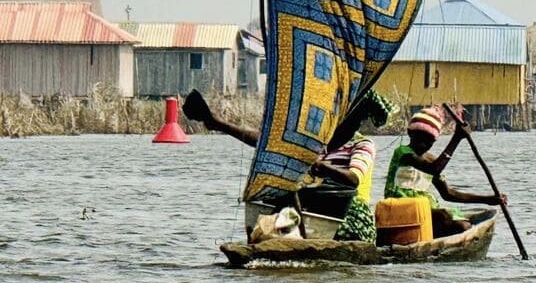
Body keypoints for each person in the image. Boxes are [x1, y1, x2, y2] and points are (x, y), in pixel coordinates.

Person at [182, 89, 396, 243]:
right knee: (283, 182)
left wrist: (322, 166)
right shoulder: (318, 142)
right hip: (312, 208)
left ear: (355, 120)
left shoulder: (362, 144)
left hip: (347, 213)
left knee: (294, 195)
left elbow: (353, 178)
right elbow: (270, 143)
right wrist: (220, 125)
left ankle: (300, 238)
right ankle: (216, 122)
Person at [384, 105, 507, 238]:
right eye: (420, 138)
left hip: (425, 210)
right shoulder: (403, 152)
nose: (423, 144)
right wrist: (456, 139)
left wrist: (488, 200)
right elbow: (434, 169)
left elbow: (448, 194)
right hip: (400, 209)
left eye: (429, 141)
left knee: (463, 224)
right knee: (447, 217)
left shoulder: (432, 159)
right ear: (410, 133)